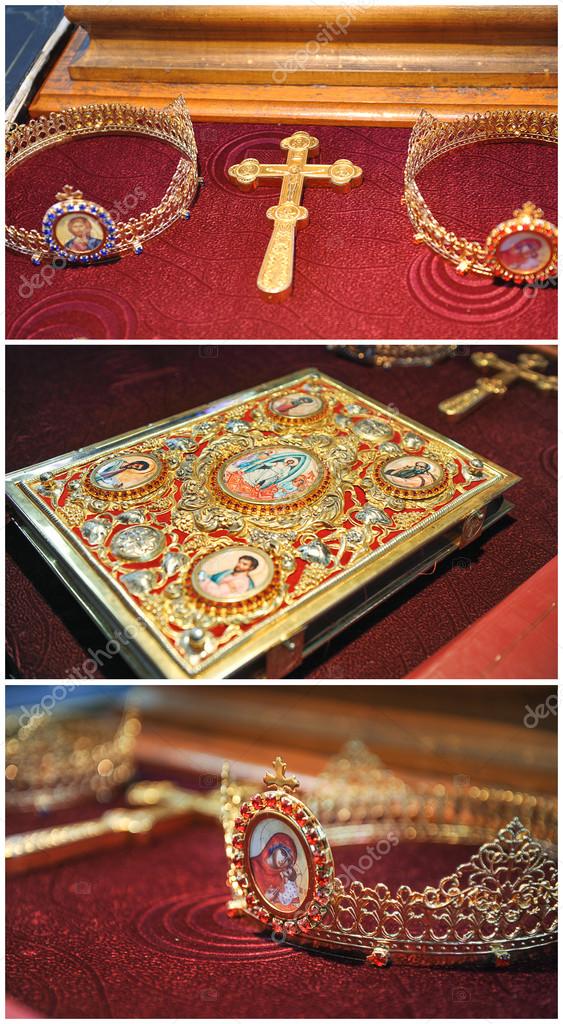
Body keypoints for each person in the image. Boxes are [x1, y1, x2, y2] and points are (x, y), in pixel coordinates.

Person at [250, 830, 301, 910]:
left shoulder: (280, 880)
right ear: (274, 845)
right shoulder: (252, 865)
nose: (284, 860)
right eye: (284, 853)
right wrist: (265, 898)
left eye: (289, 860)